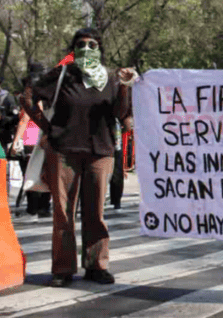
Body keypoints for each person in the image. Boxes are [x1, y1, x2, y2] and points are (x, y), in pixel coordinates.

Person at [20, 28, 137, 287]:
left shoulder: (112, 78)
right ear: (73, 49)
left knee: (96, 212)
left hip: (101, 152)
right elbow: (28, 96)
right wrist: (46, 127)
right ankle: (62, 270)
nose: (86, 49)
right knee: (64, 213)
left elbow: (121, 114)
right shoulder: (62, 74)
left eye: (92, 44)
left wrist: (126, 88)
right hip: (63, 151)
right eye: (80, 44)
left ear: (100, 49)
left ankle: (97, 266)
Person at [9, 64, 52, 217]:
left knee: (30, 174)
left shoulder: (32, 100)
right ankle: (44, 206)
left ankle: (33, 207)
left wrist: (15, 142)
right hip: (44, 139)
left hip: (30, 139)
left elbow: (25, 120)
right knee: (44, 173)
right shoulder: (48, 99)